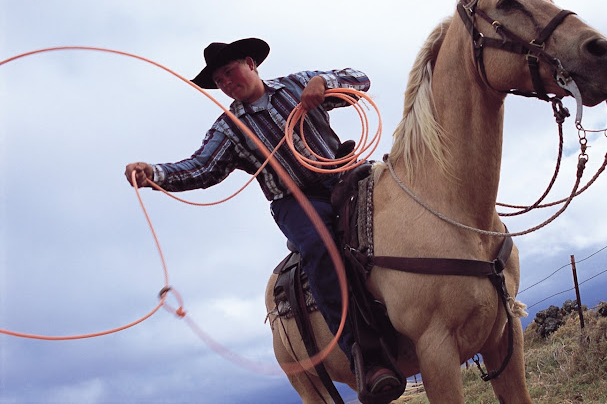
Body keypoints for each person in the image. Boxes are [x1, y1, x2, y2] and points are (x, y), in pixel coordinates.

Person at [124, 38, 400, 400]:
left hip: (344, 173)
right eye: (218, 79)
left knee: (401, 195)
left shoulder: (297, 84)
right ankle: (364, 354)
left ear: (251, 64)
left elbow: (359, 79)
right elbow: (202, 167)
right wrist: (155, 174)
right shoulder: (229, 128)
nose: (224, 82)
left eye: (228, 71)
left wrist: (325, 84)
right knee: (318, 245)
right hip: (295, 201)